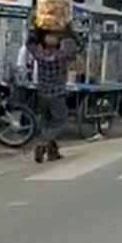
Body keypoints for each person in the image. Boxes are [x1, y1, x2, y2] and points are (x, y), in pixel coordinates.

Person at [30, 29, 76, 163]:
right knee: (60, 121)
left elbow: (29, 42)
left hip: (42, 93)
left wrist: (36, 27)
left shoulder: (38, 54)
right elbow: (76, 47)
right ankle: (43, 143)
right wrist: (69, 30)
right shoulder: (61, 55)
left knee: (46, 121)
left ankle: (52, 152)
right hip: (57, 94)